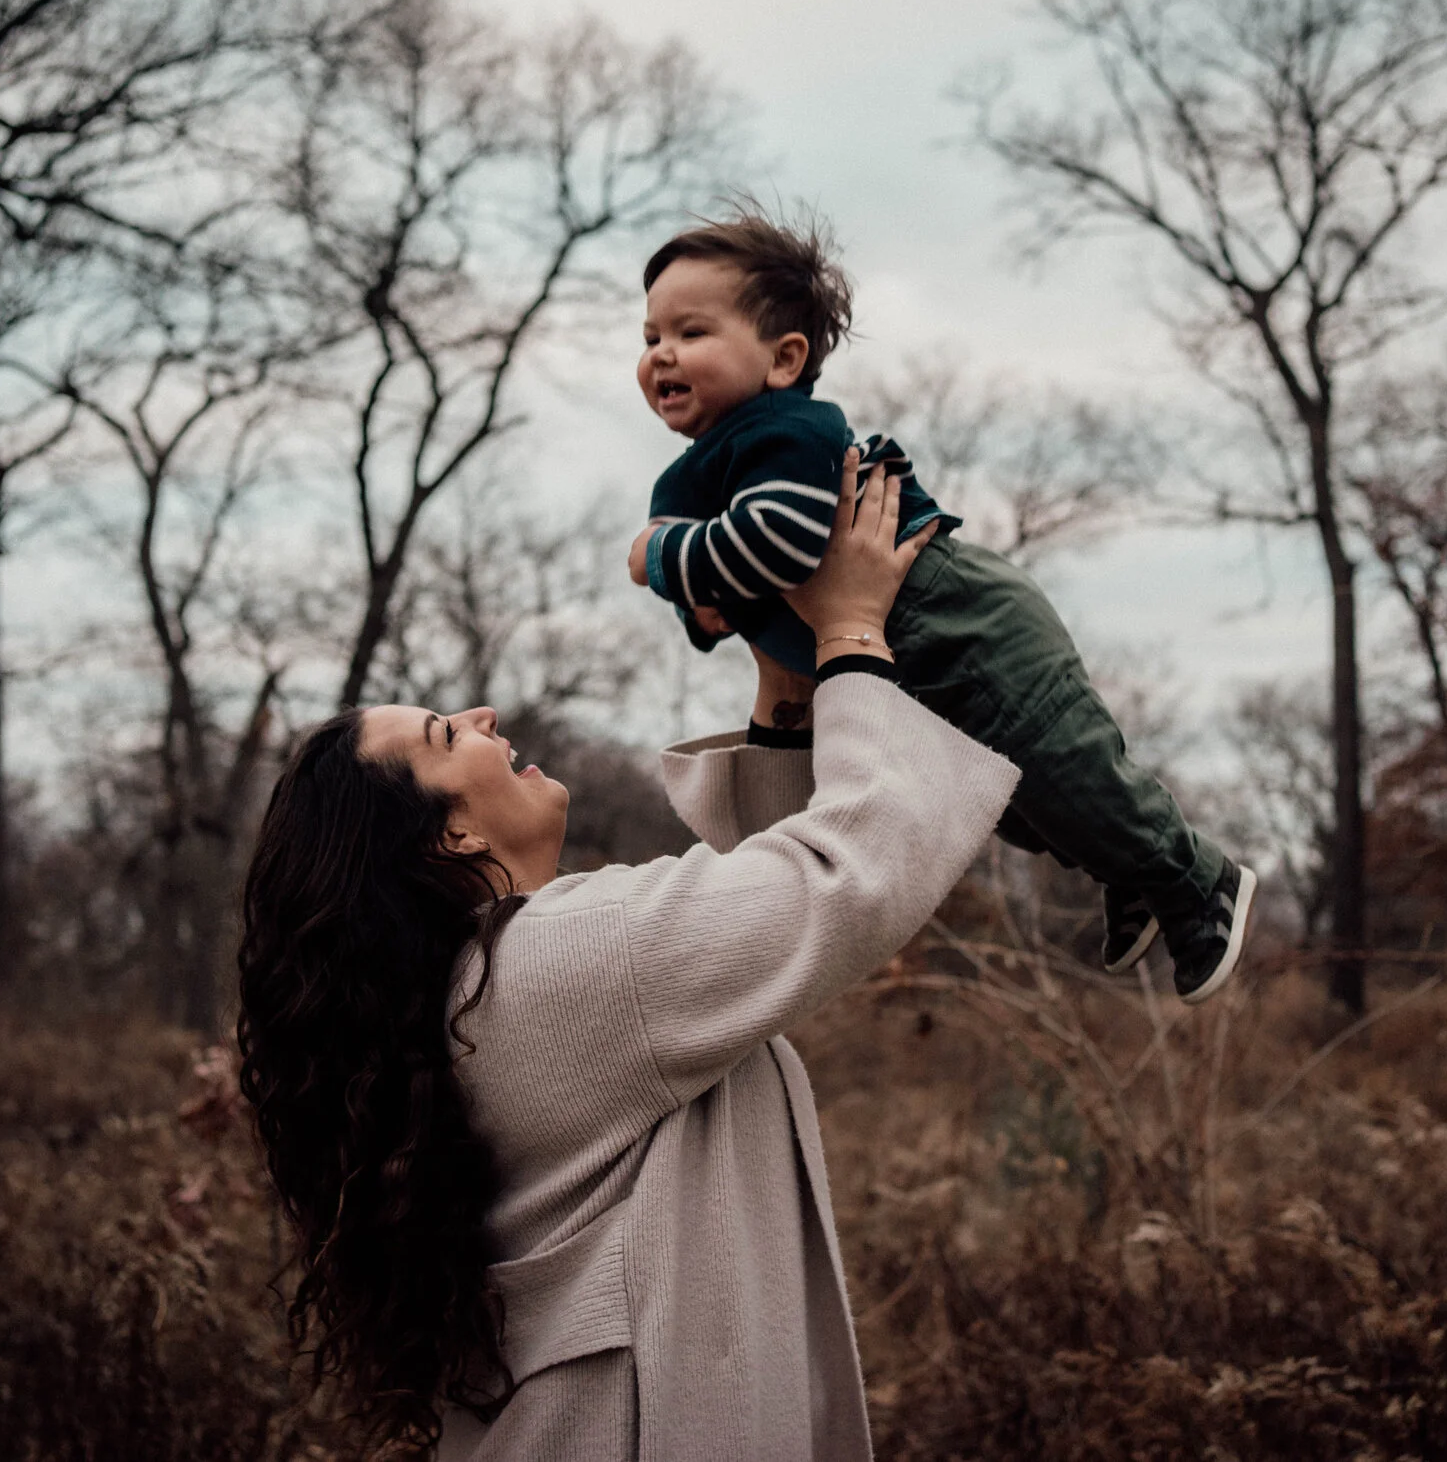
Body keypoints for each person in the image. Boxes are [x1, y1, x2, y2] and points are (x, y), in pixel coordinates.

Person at [238, 456, 1019, 1459]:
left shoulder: (472, 991)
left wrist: (786, 688)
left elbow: (751, 942)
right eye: (444, 733)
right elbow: (842, 877)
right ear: (451, 836)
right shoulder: (561, 958)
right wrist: (851, 633)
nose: (481, 716)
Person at [627, 208, 1255, 1004]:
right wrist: (701, 603)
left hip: (961, 625)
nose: (662, 354)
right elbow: (725, 593)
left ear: (784, 358)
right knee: (1017, 804)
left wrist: (659, 557)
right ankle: (1127, 868)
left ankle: (1198, 880)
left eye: (691, 332)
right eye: (650, 337)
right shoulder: (699, 473)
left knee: (1063, 767)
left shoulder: (784, 433)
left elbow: (775, 546)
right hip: (904, 662)